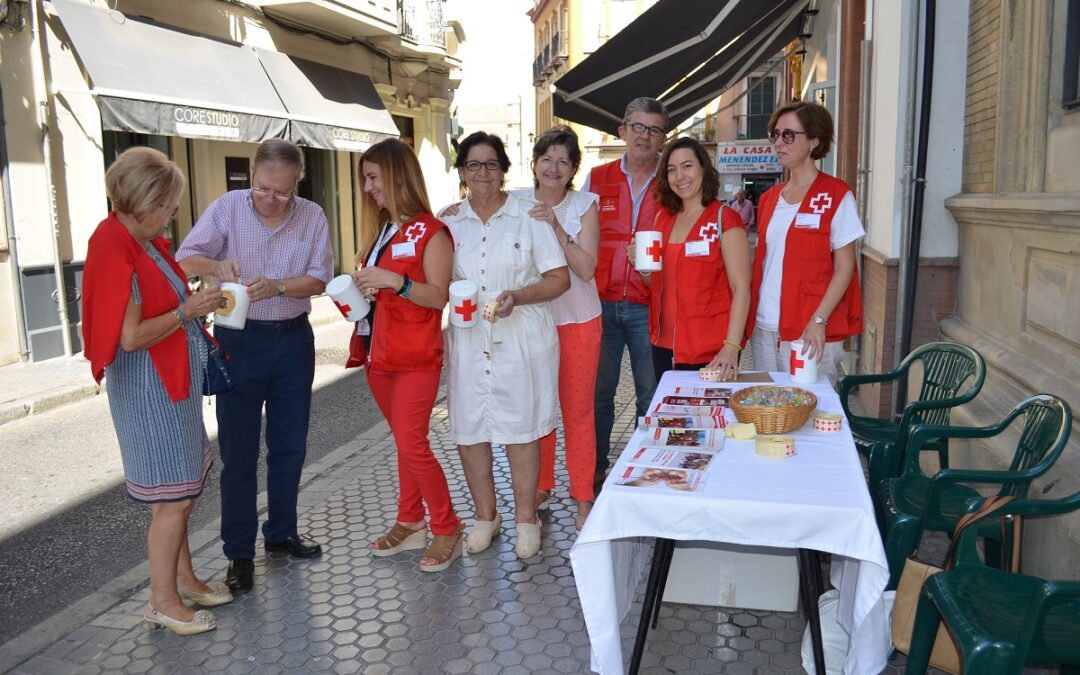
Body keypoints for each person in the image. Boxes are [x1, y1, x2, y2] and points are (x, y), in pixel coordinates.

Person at [82, 147, 231, 635]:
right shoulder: (114, 246)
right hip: (150, 391)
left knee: (182, 491)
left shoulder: (138, 240)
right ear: (142, 202)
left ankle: (182, 578)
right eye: (167, 206)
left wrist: (192, 303)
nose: (173, 216)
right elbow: (129, 337)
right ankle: (162, 600)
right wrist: (189, 311)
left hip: (170, 386)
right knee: (172, 500)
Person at [177, 139, 334, 593]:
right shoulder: (228, 207)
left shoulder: (313, 215)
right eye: (264, 188)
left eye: (282, 192)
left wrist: (281, 285)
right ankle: (239, 552)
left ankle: (281, 533)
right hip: (238, 342)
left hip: (292, 341)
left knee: (290, 446)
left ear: (296, 184)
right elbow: (186, 256)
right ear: (253, 174)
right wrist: (216, 263)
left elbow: (320, 278)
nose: (271, 199)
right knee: (239, 453)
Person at [441, 131, 570, 560]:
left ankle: (526, 519)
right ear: (461, 172)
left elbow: (558, 279)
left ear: (504, 172)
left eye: (491, 165)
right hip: (468, 338)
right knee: (470, 428)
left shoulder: (530, 216)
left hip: (521, 338)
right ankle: (485, 517)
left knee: (521, 429)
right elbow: (435, 282)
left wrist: (519, 296)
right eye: (473, 165)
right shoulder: (448, 222)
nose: (482, 173)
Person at [347, 138, 465, 572]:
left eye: (373, 177)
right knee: (403, 442)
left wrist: (395, 283)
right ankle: (410, 519)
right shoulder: (382, 230)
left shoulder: (431, 231)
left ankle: (447, 525)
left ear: (397, 176)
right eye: (365, 179)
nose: (368, 187)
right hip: (379, 352)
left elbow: (439, 297)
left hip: (415, 355)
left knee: (413, 443)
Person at [512, 127, 601, 532]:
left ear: (573, 169)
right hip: (532, 320)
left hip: (579, 321)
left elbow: (586, 269)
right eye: (546, 158)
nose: (553, 167)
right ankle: (542, 484)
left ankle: (583, 496)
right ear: (534, 163)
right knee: (537, 407)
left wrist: (556, 228)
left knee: (578, 413)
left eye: (563, 161)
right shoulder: (514, 202)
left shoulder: (584, 205)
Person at [584, 97, 668, 489]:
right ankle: (596, 468)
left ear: (662, 139)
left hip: (649, 306)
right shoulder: (596, 178)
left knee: (651, 395)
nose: (644, 136)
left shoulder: (672, 182)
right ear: (622, 131)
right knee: (599, 394)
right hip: (600, 303)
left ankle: (646, 466)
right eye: (638, 126)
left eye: (653, 129)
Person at [747, 101, 864, 383]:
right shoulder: (769, 199)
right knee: (767, 413)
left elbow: (845, 267)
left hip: (808, 331)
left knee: (810, 412)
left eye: (789, 135)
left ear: (814, 141)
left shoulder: (836, 195)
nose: (778, 142)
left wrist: (819, 320)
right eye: (775, 134)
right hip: (765, 327)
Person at [632, 136, 751, 383]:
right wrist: (641, 265)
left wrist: (731, 345)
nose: (679, 176)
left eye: (687, 166)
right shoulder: (662, 220)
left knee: (710, 419)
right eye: (671, 169)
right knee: (671, 418)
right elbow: (655, 283)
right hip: (663, 344)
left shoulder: (724, 219)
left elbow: (742, 288)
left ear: (703, 169)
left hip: (710, 348)